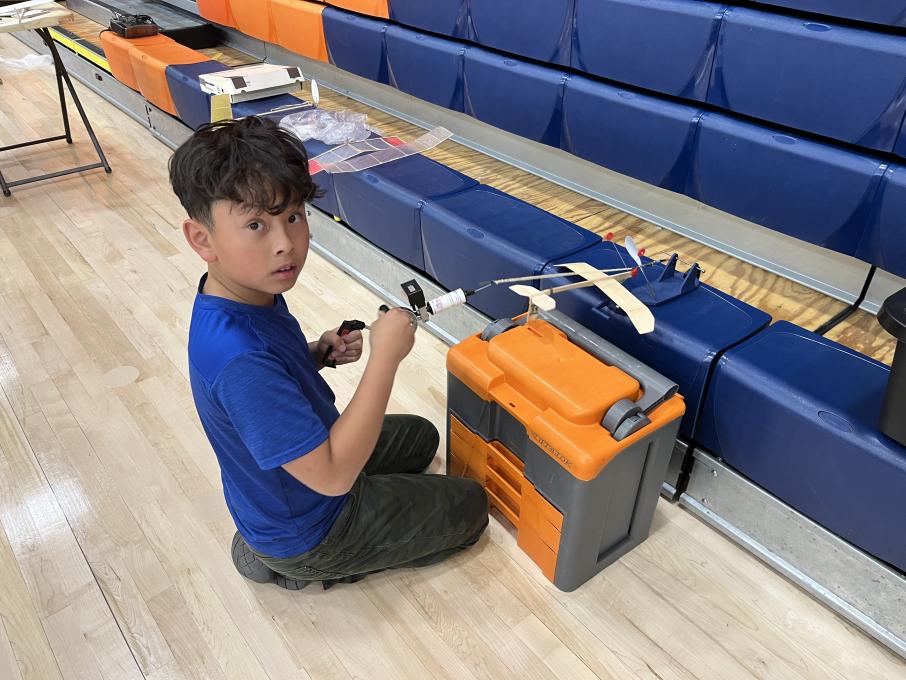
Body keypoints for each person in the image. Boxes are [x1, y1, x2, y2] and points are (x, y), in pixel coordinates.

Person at [168, 116, 488, 589]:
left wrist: (317, 353)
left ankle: (267, 544)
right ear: (202, 239)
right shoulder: (241, 362)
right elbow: (334, 476)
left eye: (293, 216)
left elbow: (273, 373)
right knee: (471, 507)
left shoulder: (240, 294)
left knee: (421, 437)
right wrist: (385, 359)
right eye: (256, 225)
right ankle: (295, 563)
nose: (285, 244)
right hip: (314, 525)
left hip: (288, 481)